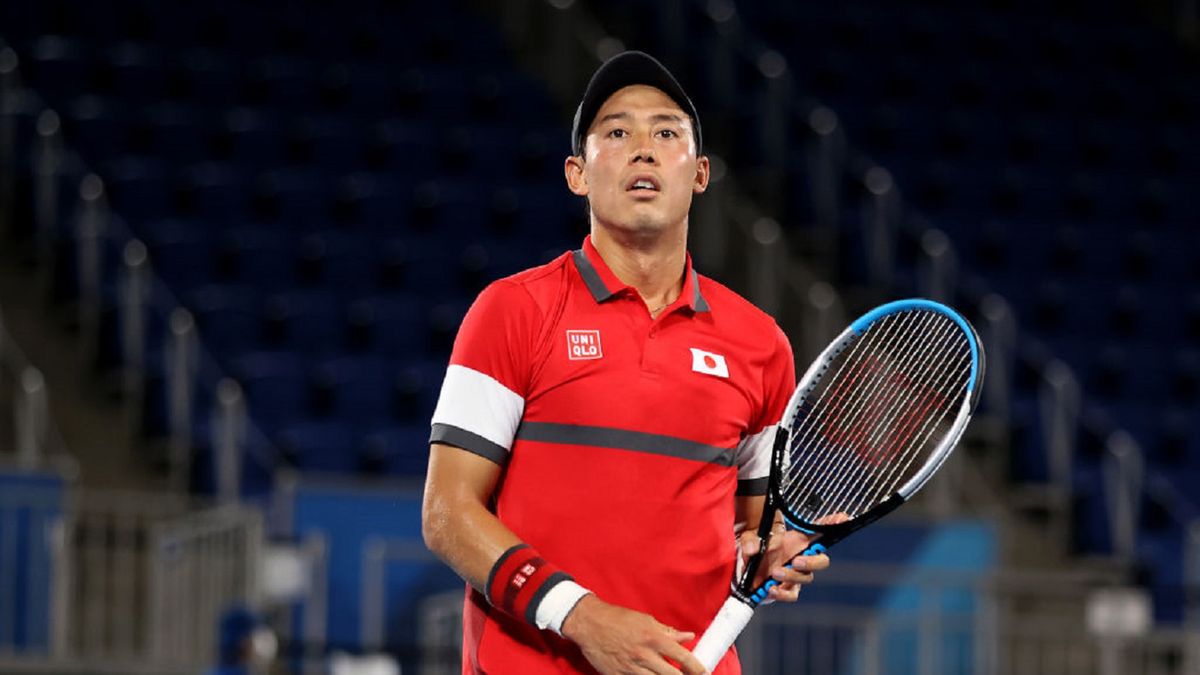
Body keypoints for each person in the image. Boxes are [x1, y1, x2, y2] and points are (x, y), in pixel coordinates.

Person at [422, 50, 831, 675]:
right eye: (616, 132)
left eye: (666, 132)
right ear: (577, 174)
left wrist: (772, 553)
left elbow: (752, 531)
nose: (643, 148)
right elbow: (448, 514)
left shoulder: (761, 344)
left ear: (699, 173)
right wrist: (582, 617)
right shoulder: (511, 312)